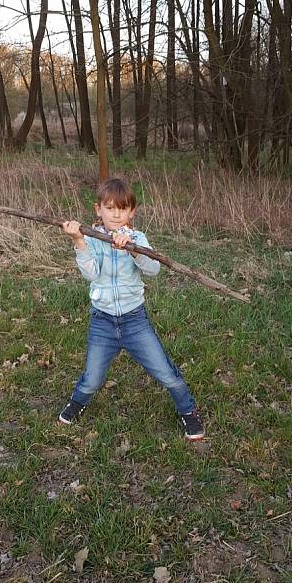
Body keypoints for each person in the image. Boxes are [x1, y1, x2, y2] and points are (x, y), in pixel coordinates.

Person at [59, 177, 205, 440]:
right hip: (102, 322)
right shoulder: (91, 238)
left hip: (134, 321)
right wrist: (78, 242)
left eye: (122, 209)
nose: (116, 214)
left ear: (131, 212)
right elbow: (91, 274)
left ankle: (188, 410)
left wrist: (133, 251)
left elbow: (154, 269)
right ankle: (77, 402)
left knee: (165, 372)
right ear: (98, 209)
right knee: (92, 378)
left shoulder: (137, 238)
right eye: (110, 208)